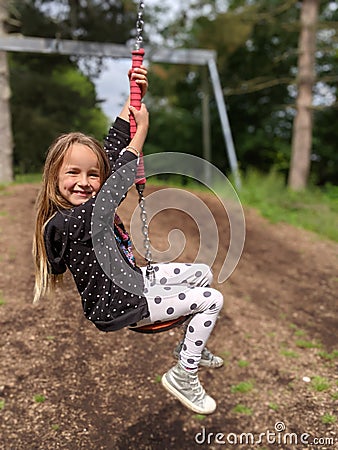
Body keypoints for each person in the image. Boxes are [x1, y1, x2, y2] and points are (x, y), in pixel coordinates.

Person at [33, 65, 224, 415]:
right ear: (54, 176)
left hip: (134, 283)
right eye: (72, 172)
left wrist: (131, 103)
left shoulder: (86, 208)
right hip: (121, 305)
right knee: (212, 299)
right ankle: (185, 373)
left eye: (92, 174)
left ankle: (187, 349)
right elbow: (117, 179)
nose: (84, 181)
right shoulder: (72, 220)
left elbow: (111, 151)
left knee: (201, 274)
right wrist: (141, 136)